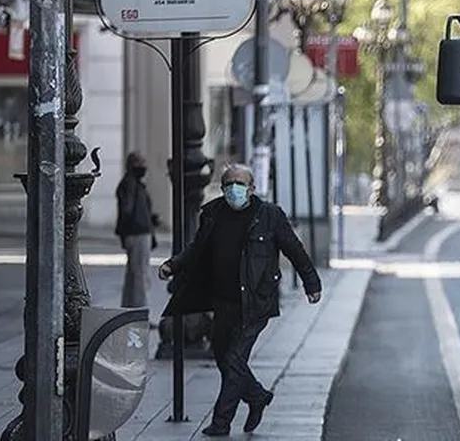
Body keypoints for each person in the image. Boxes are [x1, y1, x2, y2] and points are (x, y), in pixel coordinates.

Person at [157, 163, 322, 437]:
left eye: (240, 183)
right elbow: (197, 248)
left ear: (252, 188)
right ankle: (256, 396)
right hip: (223, 301)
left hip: (256, 302)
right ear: (222, 189)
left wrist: (311, 283)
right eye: (229, 183)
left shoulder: (270, 216)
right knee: (224, 358)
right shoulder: (212, 214)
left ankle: (221, 423)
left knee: (234, 358)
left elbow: (295, 250)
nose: (234, 188)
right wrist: (173, 265)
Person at [114, 151, 159, 309]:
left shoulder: (132, 184)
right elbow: (127, 210)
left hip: (136, 232)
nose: (144, 167)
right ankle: (140, 311)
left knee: (134, 275)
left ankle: (129, 308)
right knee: (140, 275)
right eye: (141, 163)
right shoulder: (131, 184)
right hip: (138, 233)